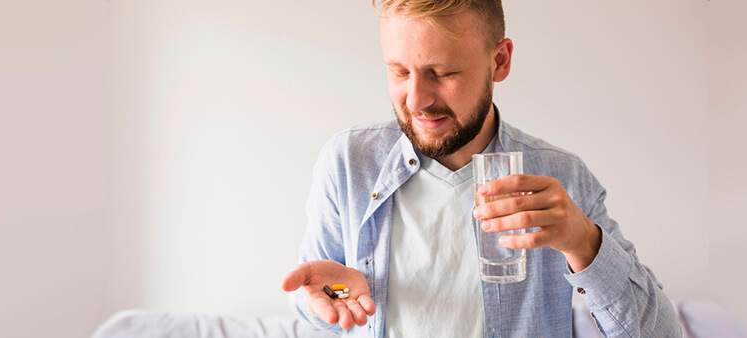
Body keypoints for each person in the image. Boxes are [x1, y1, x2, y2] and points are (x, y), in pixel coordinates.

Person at [281, 0, 681, 336]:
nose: (417, 99)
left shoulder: (561, 177)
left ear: (500, 61)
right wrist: (331, 301)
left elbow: (660, 333)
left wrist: (584, 243)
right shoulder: (349, 162)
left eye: (443, 73)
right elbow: (317, 307)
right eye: (400, 72)